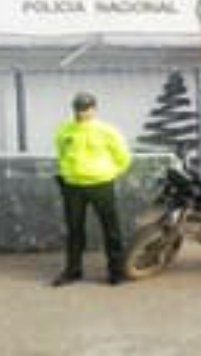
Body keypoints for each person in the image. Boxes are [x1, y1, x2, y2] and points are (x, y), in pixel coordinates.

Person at [53, 92, 132, 287]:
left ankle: (116, 272)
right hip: (73, 186)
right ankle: (73, 271)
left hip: (101, 185)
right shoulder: (65, 131)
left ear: (94, 109)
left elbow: (123, 157)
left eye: (86, 108)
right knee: (74, 230)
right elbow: (61, 154)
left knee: (111, 229)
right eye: (79, 108)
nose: (82, 112)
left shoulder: (107, 131)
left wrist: (110, 174)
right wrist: (66, 174)